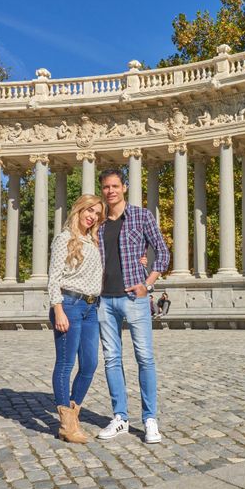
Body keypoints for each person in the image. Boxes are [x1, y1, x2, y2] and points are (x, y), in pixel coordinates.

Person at [96, 169, 170, 443]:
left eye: (115, 186)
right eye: (106, 187)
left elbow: (162, 251)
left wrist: (147, 284)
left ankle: (150, 419)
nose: (111, 191)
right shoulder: (98, 221)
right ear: (102, 190)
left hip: (134, 298)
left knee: (145, 358)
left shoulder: (141, 216)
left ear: (124, 187)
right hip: (104, 298)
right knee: (112, 359)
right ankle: (120, 418)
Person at [47, 194, 105, 443]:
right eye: (89, 210)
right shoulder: (64, 238)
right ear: (79, 210)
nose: (92, 216)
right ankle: (67, 425)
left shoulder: (92, 241)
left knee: (90, 364)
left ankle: (73, 411)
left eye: (97, 214)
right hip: (69, 304)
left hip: (91, 307)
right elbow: (54, 277)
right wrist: (57, 309)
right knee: (65, 364)